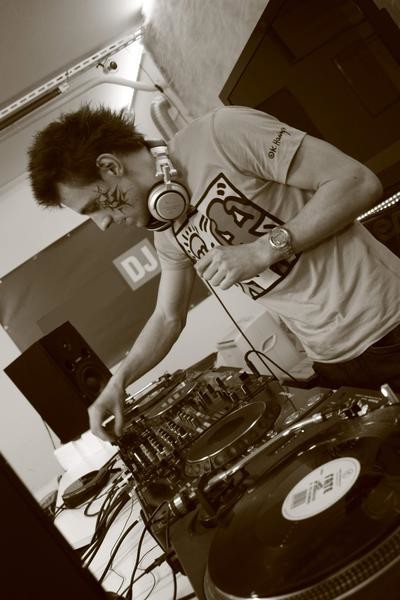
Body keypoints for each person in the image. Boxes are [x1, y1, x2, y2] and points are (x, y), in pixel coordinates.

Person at [27, 104, 400, 441]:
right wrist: (118, 382)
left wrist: (262, 250)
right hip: (331, 362)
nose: (103, 223)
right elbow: (168, 317)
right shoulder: (167, 229)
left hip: (389, 329)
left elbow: (356, 182)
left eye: (94, 206)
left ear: (110, 166)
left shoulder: (222, 133)